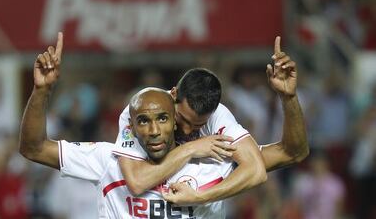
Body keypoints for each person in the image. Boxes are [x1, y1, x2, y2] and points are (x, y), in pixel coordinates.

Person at [19, 33, 239, 218]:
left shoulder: (214, 159)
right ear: (130, 127)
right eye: (143, 121)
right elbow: (33, 148)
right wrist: (41, 91)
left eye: (162, 119)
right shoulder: (108, 160)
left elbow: (273, 156)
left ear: (175, 120)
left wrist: (276, 95)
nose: (154, 131)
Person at [113, 37, 309, 204]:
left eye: (197, 126)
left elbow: (272, 163)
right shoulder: (142, 110)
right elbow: (137, 181)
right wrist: (191, 149)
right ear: (173, 95)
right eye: (182, 120)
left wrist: (288, 97)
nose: (188, 131)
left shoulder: (217, 118)